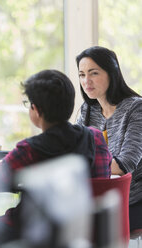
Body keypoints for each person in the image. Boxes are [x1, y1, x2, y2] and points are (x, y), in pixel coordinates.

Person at [0, 69, 111, 236]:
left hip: (36, 232)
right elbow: (102, 181)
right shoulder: (95, 138)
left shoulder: (29, 150)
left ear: (36, 110)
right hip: (85, 231)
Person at [75, 46, 142, 232]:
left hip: (133, 201)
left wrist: (81, 164)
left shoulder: (136, 108)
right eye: (81, 75)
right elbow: (73, 150)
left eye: (93, 73)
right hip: (97, 197)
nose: (86, 81)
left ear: (112, 73)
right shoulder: (88, 110)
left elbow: (125, 164)